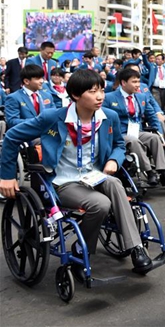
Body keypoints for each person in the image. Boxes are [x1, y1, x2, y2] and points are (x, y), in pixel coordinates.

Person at [0, 70, 153, 279]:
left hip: (95, 175)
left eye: (101, 90)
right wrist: (7, 176)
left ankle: (136, 248)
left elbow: (119, 145)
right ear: (76, 95)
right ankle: (82, 252)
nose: (100, 96)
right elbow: (11, 136)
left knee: (116, 184)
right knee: (100, 204)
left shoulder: (109, 117)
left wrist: (113, 160)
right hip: (65, 181)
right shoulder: (53, 117)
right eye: (92, 91)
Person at [103, 68, 165, 187]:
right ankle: (149, 172)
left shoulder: (141, 97)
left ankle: (163, 171)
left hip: (137, 130)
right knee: (133, 141)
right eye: (134, 82)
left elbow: (152, 116)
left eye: (138, 81)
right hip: (120, 133)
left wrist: (161, 134)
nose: (137, 85)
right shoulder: (109, 97)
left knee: (154, 138)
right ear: (123, 83)